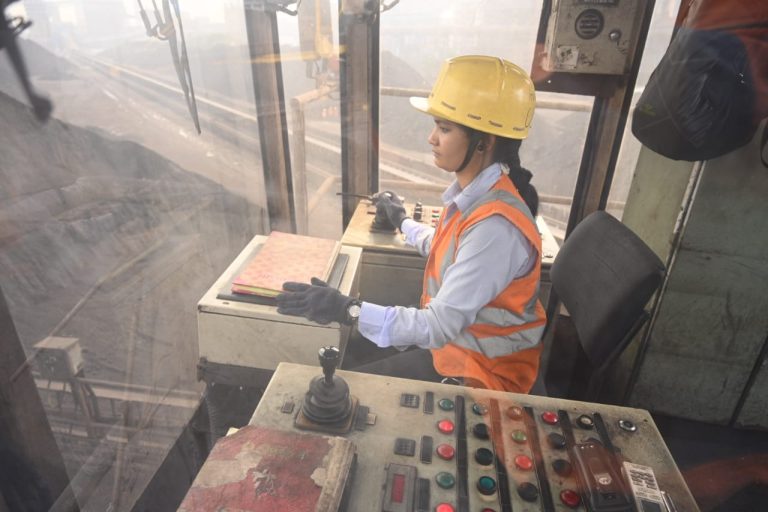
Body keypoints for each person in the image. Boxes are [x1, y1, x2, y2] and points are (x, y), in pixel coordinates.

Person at [276, 55, 546, 393]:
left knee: (349, 390)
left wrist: (346, 308)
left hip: (480, 372)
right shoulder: (479, 196)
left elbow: (437, 325)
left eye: (444, 129)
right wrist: (402, 221)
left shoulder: (495, 228)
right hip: (456, 347)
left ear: (484, 142)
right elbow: (447, 248)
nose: (431, 138)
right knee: (350, 359)